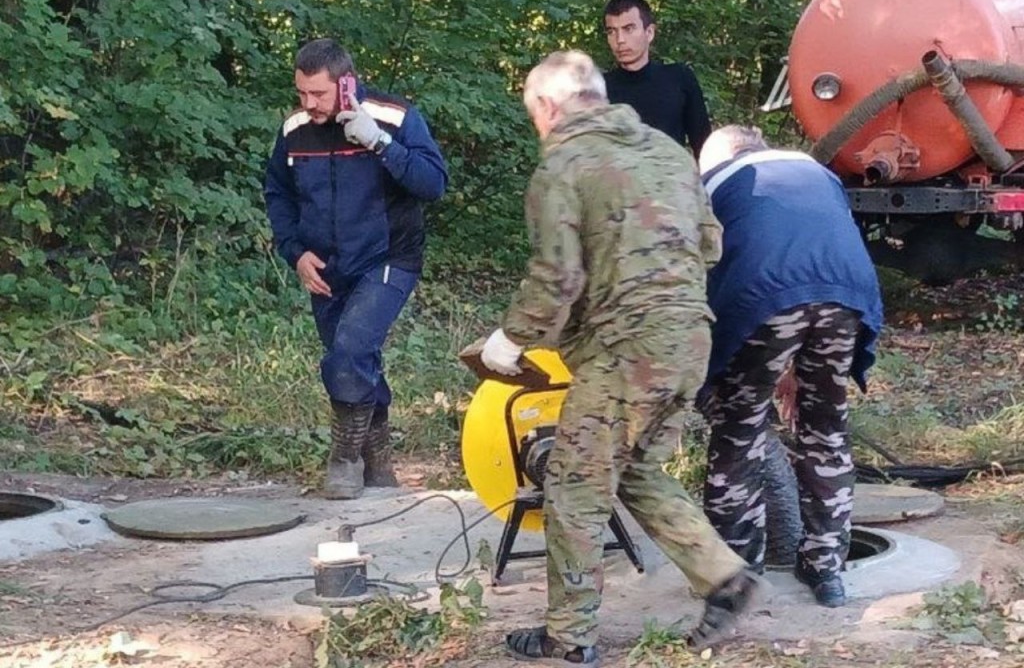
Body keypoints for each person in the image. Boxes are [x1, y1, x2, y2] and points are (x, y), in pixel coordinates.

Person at [479, 50, 761, 665]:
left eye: (533, 113)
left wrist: (511, 339)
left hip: (626, 349)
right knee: (634, 471)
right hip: (690, 337)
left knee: (575, 488)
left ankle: (569, 637)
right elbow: (710, 243)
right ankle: (724, 578)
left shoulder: (564, 164)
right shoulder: (666, 151)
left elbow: (556, 278)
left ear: (548, 106)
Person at [697, 125, 883, 608]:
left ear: (723, 156)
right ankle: (827, 573)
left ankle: (737, 576)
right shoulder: (816, 172)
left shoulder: (715, 182)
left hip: (762, 296)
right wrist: (793, 364)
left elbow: (707, 276)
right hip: (847, 295)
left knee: (739, 432)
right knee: (825, 430)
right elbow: (814, 252)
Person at [264, 38, 448, 499]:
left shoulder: (396, 117)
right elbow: (278, 193)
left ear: (346, 84)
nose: (309, 104)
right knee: (354, 359)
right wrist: (295, 252)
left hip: (389, 257)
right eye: (301, 94)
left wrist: (379, 143)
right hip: (326, 266)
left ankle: (344, 458)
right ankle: (378, 459)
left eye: (318, 95)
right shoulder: (294, 129)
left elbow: (433, 183)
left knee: (349, 350)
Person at [602, 0, 712, 157]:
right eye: (612, 31)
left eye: (628, 29)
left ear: (649, 33)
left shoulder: (679, 79)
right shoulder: (600, 89)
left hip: (673, 179)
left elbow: (703, 146)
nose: (620, 40)